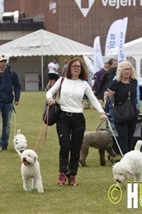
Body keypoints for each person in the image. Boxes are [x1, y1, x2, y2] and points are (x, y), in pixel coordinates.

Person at [46, 57, 108, 186]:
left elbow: (93, 99)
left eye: (78, 66)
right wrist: (50, 99)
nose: (75, 68)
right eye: (73, 66)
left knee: (75, 148)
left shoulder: (84, 84)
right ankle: (62, 173)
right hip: (63, 117)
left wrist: (101, 112)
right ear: (69, 68)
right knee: (65, 145)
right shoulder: (62, 80)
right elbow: (50, 92)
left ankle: (72, 174)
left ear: (81, 69)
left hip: (78, 118)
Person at [105, 60, 140, 154]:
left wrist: (137, 106)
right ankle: (124, 156)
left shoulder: (134, 82)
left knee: (130, 136)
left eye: (128, 69)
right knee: (123, 136)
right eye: (125, 69)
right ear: (120, 70)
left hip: (132, 112)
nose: (127, 71)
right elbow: (108, 96)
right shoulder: (116, 83)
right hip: (120, 112)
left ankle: (129, 155)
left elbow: (135, 96)